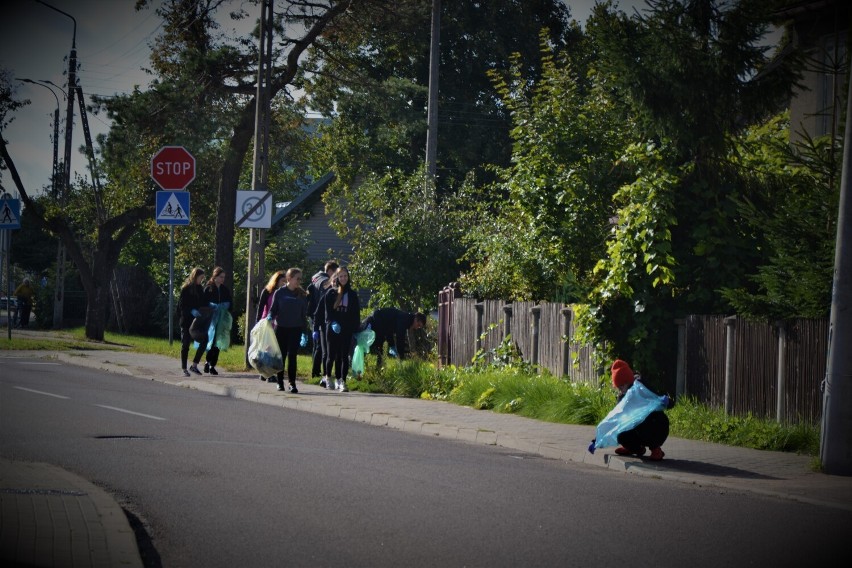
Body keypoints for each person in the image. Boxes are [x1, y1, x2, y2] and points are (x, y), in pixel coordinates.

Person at [610, 359, 673, 461]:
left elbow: (656, 397)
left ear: (628, 381)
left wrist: (667, 402)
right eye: (618, 387)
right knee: (620, 433)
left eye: (622, 386)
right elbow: (616, 417)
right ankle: (635, 449)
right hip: (637, 428)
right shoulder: (622, 397)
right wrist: (598, 439)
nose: (620, 390)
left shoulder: (641, 387)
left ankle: (655, 449)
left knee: (644, 422)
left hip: (654, 424)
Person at [318, 266, 360, 392]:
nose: (343, 278)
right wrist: (332, 323)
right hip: (333, 328)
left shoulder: (352, 294)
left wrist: (356, 329)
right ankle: (327, 377)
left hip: (346, 329)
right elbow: (327, 313)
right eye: (341, 276)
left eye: (345, 276)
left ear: (348, 277)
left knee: (344, 356)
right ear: (337, 278)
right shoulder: (331, 293)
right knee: (331, 355)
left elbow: (355, 313)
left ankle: (341, 381)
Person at [267, 267, 308, 393]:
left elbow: (303, 314)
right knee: (281, 356)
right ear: (289, 279)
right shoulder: (280, 293)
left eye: (300, 279)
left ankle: (292, 382)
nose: (299, 281)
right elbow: (273, 309)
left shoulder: (301, 295)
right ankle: (280, 382)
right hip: (282, 328)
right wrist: (270, 317)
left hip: (295, 328)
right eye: (297, 279)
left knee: (292, 356)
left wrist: (305, 331)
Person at [307, 260, 338, 387]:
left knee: (319, 347)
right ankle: (318, 373)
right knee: (321, 348)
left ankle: (318, 373)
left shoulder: (317, 279)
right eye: (335, 273)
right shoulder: (323, 280)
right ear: (331, 271)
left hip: (317, 317)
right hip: (319, 318)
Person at [361, 308, 426, 366]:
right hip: (375, 321)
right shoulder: (405, 319)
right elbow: (400, 338)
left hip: (380, 323)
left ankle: (378, 369)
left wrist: (392, 345)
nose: (417, 328)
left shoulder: (407, 319)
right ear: (416, 319)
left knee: (381, 349)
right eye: (418, 325)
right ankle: (364, 367)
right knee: (375, 347)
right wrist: (401, 357)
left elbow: (389, 331)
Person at [255, 270, 286, 381]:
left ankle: (270, 373)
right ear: (276, 281)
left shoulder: (284, 293)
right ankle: (265, 373)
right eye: (283, 281)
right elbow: (260, 307)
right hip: (267, 322)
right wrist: (257, 322)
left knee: (274, 349)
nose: (284, 283)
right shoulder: (267, 291)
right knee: (266, 349)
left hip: (279, 323)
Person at [203, 266, 232, 376]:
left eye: (224, 277)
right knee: (210, 340)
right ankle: (207, 361)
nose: (222, 279)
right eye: (220, 277)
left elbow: (230, 302)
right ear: (215, 276)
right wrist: (212, 306)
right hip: (210, 319)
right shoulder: (209, 288)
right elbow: (203, 302)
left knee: (218, 341)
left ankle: (212, 365)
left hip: (221, 319)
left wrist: (225, 306)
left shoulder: (224, 290)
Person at [177, 267, 207, 377]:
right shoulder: (186, 289)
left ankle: (194, 365)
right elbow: (181, 305)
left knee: (204, 340)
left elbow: (202, 303)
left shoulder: (200, 289)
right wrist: (191, 310)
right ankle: (184, 368)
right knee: (185, 344)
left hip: (196, 322)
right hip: (186, 321)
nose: (202, 280)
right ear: (195, 276)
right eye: (201, 277)